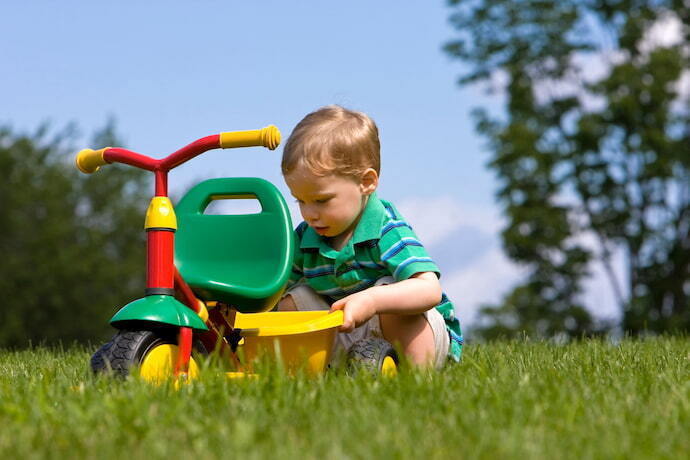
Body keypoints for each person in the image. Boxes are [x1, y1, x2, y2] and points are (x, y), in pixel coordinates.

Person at [277, 105, 462, 368]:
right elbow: (276, 290)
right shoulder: (306, 239)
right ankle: (308, 375)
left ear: (366, 182)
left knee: (389, 288)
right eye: (301, 201)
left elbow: (429, 289)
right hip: (343, 332)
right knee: (292, 300)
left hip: (415, 334)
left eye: (321, 200)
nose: (310, 214)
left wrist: (372, 300)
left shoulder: (385, 229)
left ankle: (415, 376)